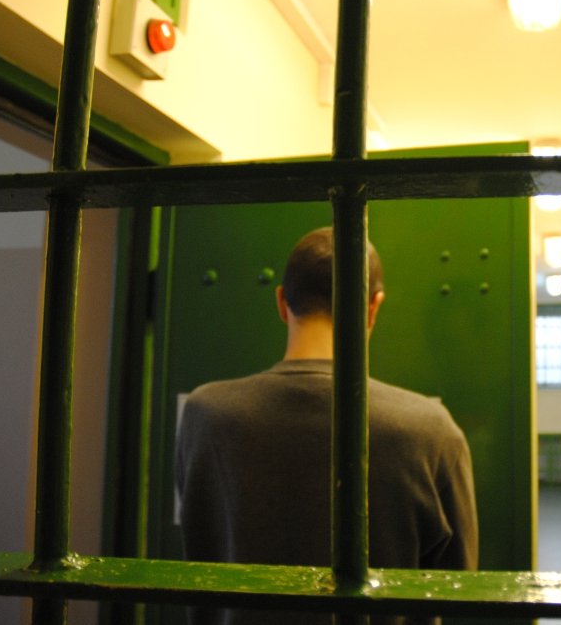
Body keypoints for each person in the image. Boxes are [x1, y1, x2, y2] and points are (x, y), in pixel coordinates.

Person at [175, 227, 478, 625]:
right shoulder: (431, 431)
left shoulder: (204, 415)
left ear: (282, 301)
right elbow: (459, 589)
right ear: (373, 307)